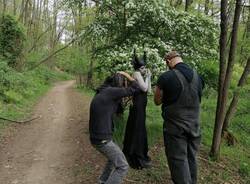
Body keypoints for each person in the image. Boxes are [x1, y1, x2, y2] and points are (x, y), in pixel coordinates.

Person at [154, 51, 204, 184]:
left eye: (166, 63)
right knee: (191, 158)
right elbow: (197, 98)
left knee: (178, 161)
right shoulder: (198, 76)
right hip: (195, 126)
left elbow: (157, 101)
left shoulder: (166, 77)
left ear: (168, 61)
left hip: (175, 128)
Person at [89, 71, 140, 184]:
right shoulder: (111, 92)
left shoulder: (103, 92)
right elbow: (136, 88)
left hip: (98, 136)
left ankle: (102, 180)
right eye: (123, 83)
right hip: (102, 138)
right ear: (119, 83)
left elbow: (117, 110)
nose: (124, 86)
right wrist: (128, 76)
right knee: (123, 166)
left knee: (113, 160)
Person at [123, 50, 152, 169]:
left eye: (145, 67)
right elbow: (144, 88)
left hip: (142, 105)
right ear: (138, 67)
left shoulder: (141, 75)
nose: (144, 69)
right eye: (142, 67)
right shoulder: (136, 74)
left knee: (139, 126)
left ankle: (136, 151)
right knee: (137, 127)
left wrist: (148, 77)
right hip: (138, 105)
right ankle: (134, 154)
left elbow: (149, 90)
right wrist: (148, 76)